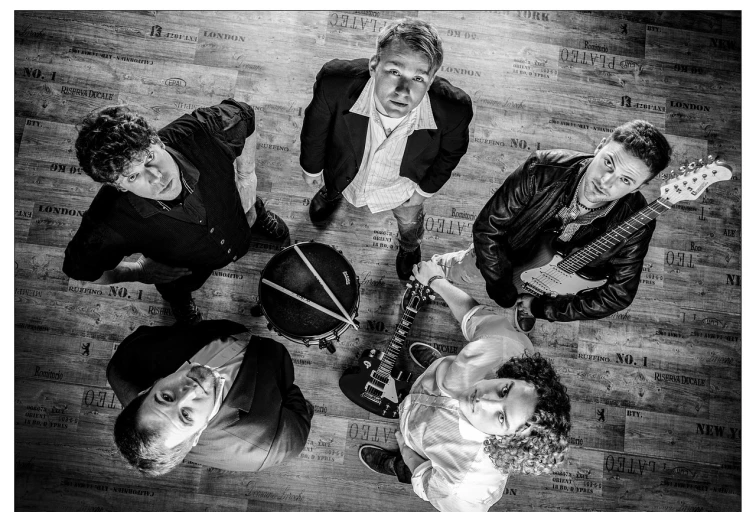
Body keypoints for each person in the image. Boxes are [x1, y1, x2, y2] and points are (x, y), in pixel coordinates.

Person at [358, 261, 571, 512]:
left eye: (501, 417)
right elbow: (473, 316)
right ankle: (439, 369)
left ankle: (396, 466)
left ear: (506, 441)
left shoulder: (466, 485)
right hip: (433, 383)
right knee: (449, 372)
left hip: (416, 445)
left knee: (413, 470)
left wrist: (406, 453)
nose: (483, 400)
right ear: (515, 376)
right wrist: (436, 280)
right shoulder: (505, 349)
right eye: (504, 390)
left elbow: (430, 486)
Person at [63, 100, 290, 325]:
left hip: (237, 213)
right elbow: (80, 269)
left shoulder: (202, 132)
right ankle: (179, 300)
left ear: (157, 142)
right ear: (119, 186)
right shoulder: (108, 221)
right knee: (176, 288)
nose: (156, 178)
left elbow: (244, 114)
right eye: (132, 176)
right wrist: (136, 273)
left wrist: (246, 176)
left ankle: (256, 214)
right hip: (187, 269)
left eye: (148, 158)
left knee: (248, 207)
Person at [432, 119, 672, 332]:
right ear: (599, 147)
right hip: (505, 255)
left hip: (555, 283)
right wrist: (500, 285)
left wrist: (544, 308)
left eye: (626, 180)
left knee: (531, 300)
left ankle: (527, 304)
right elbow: (488, 229)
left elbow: (618, 295)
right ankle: (434, 274)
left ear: (637, 188)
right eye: (609, 163)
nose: (606, 182)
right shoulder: (541, 169)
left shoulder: (636, 223)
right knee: (463, 268)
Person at [299, 17, 473, 280]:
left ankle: (408, 246)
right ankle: (332, 193)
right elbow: (315, 128)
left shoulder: (454, 110)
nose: (403, 91)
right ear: (374, 65)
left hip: (401, 190)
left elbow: (451, 154)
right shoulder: (334, 82)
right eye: (394, 71)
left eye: (417, 78)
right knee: (338, 179)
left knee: (409, 223)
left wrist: (422, 192)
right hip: (345, 170)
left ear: (432, 78)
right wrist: (312, 169)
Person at [107, 319, 313, 476]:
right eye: (186, 415)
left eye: (166, 397)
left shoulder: (127, 364)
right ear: (196, 436)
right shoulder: (269, 443)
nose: (190, 390)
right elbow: (299, 413)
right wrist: (285, 385)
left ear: (146, 390)